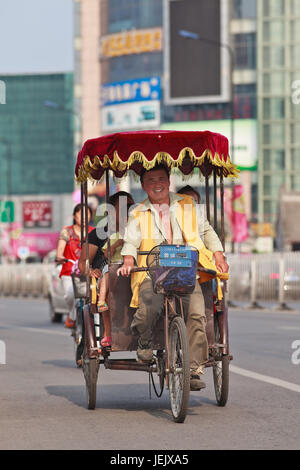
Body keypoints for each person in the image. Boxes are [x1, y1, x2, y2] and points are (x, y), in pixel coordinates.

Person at [117, 164, 228, 391]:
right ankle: (145, 341)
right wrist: (128, 260)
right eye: (151, 180)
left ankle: (194, 368)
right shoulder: (137, 212)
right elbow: (130, 241)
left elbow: (207, 231)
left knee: (197, 313)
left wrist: (218, 254)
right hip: (153, 271)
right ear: (143, 185)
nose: (157, 184)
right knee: (149, 305)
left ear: (168, 181)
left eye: (161, 179)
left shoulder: (187, 205)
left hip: (186, 269)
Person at [78, 191, 134, 349]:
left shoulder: (140, 231)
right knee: (111, 283)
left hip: (135, 271)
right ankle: (108, 332)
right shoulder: (98, 234)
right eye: (123, 207)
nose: (127, 211)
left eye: (130, 207)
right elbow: (83, 263)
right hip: (110, 275)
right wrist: (90, 272)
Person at [56, 203, 93, 328]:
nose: (83, 217)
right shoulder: (67, 231)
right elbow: (60, 250)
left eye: (87, 214)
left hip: (89, 272)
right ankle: (71, 316)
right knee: (70, 293)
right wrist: (60, 256)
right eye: (80, 213)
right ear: (74, 215)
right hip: (69, 273)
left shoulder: (93, 233)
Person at [177, 185, 228, 273]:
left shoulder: (200, 220)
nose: (191, 204)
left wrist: (219, 256)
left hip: (199, 265)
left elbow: (208, 234)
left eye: (194, 201)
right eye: (187, 201)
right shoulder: (171, 214)